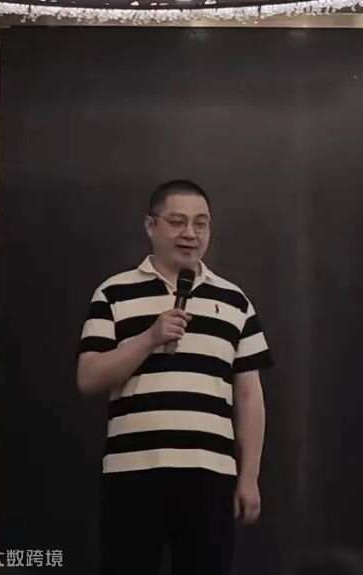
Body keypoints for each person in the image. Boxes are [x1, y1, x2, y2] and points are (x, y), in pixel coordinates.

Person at [76, 180, 272, 575]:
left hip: (210, 475)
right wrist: (149, 338)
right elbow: (88, 378)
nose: (190, 234)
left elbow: (250, 396)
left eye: (201, 223)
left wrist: (249, 476)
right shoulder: (113, 293)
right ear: (151, 226)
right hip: (133, 473)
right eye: (178, 222)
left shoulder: (235, 300)